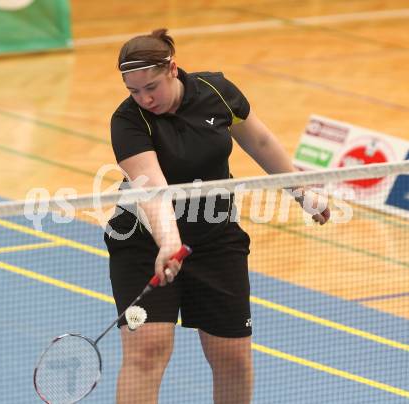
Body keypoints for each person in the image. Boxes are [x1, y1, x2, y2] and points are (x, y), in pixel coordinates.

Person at [104, 28, 330, 404]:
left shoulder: (218, 94)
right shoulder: (128, 121)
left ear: (173, 69)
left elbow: (259, 141)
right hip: (144, 242)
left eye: (152, 87)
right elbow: (152, 189)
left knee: (233, 357)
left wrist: (300, 191)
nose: (144, 98)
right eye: (133, 91)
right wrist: (169, 242)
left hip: (215, 238)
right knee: (147, 350)